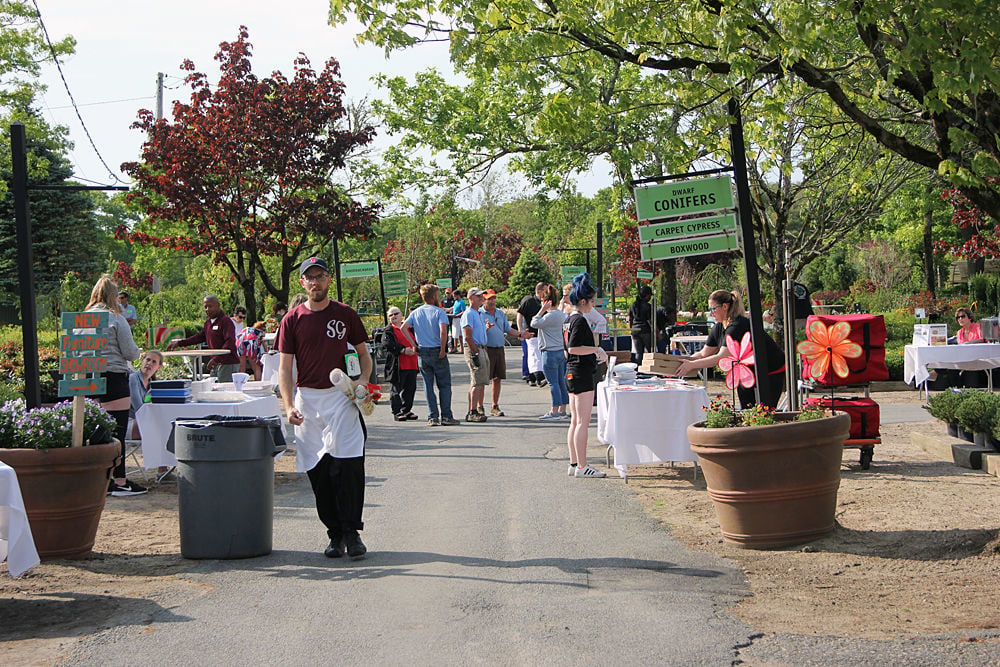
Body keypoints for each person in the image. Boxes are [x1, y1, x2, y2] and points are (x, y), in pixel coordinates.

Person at [278, 256, 372, 560]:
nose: (315, 282)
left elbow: (364, 355)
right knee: (318, 470)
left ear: (328, 280)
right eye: (310, 277)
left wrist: (363, 382)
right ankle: (334, 534)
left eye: (320, 276)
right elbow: (284, 368)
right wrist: (288, 405)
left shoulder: (345, 314)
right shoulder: (292, 319)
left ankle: (351, 533)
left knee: (348, 466)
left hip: (341, 397)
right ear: (303, 283)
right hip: (308, 399)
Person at [84, 277, 145, 496]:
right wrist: (139, 352)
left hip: (87, 377)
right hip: (113, 375)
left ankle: (98, 479)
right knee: (117, 431)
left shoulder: (82, 319)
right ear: (113, 295)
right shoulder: (115, 318)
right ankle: (119, 480)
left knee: (94, 431)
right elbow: (129, 352)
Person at [675, 289, 786, 409]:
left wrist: (692, 365)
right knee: (747, 408)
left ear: (725, 306)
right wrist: (683, 361)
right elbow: (704, 353)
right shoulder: (718, 328)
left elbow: (721, 357)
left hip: (769, 370)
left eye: (713, 309)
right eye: (710, 309)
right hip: (746, 371)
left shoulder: (737, 326)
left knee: (764, 410)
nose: (711, 312)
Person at [564, 273, 609, 478]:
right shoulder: (579, 320)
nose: (593, 305)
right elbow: (573, 348)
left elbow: (568, 349)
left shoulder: (568, 319)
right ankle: (582, 465)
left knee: (575, 421)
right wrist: (595, 350)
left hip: (572, 372)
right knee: (582, 421)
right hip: (580, 373)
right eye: (591, 301)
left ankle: (574, 463)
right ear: (583, 301)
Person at [405, 283, 460, 426]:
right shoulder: (439, 312)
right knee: (444, 384)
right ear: (434, 296)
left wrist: (413, 343)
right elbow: (443, 331)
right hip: (436, 349)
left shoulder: (416, 312)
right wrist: (443, 348)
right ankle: (446, 416)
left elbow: (403, 327)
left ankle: (432, 416)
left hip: (423, 351)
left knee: (428, 385)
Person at [166, 295, 240, 382]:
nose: (207, 309)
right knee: (213, 389)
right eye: (205, 307)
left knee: (225, 390)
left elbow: (230, 342)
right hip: (215, 363)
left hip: (227, 363)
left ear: (218, 305)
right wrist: (179, 343)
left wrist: (216, 359)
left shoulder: (226, 321)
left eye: (210, 306)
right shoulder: (208, 323)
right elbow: (199, 337)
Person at [532, 284, 569, 421]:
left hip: (549, 352)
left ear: (545, 301)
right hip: (560, 350)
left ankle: (554, 411)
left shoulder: (548, 317)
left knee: (552, 382)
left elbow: (534, 323)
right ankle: (563, 410)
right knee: (560, 381)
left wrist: (542, 310)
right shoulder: (561, 315)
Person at [478, 289, 517, 416]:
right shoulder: (479, 314)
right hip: (486, 349)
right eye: (489, 299)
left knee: (498, 378)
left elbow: (508, 329)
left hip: (499, 348)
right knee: (483, 379)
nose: (492, 301)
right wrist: (485, 329)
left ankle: (495, 406)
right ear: (483, 300)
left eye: (494, 298)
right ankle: (479, 406)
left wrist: (521, 334)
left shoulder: (500, 313)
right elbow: (475, 332)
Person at [384, 306, 419, 421]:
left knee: (410, 389)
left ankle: (406, 410)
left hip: (412, 363)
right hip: (398, 365)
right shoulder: (389, 330)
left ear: (401, 315)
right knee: (396, 390)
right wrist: (403, 350)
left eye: (396, 314)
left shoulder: (409, 327)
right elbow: (387, 344)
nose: (394, 316)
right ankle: (397, 411)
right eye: (391, 315)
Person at [461, 287, 490, 422]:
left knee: (479, 380)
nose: (481, 298)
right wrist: (476, 352)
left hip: (480, 348)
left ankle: (474, 409)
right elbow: (467, 336)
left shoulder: (478, 313)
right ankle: (472, 411)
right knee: (476, 380)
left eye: (481, 296)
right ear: (471, 298)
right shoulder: (468, 314)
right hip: (474, 348)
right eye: (478, 296)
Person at [517, 282, 547, 387]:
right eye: (545, 290)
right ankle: (534, 376)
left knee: (541, 356)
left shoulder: (546, 302)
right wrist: (520, 330)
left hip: (544, 334)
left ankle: (540, 376)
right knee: (533, 355)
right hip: (531, 333)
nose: (547, 293)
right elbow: (520, 314)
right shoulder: (529, 302)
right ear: (539, 291)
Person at [128, 349, 164, 438]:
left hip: (143, 420)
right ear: (142, 360)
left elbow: (149, 405)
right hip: (129, 421)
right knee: (156, 428)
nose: (149, 363)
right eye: (147, 360)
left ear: (159, 367)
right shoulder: (133, 378)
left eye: (154, 362)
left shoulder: (152, 385)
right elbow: (139, 409)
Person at [629, 285, 654, 363]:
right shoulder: (648, 306)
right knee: (650, 351)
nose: (650, 298)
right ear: (646, 295)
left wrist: (631, 329)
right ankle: (650, 368)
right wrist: (655, 330)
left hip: (635, 330)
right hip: (645, 330)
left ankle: (637, 369)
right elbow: (650, 320)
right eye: (649, 295)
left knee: (639, 353)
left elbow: (630, 319)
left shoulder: (633, 305)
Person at [450, 289, 467, 354]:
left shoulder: (461, 302)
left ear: (458, 295)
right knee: (455, 334)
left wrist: (457, 315)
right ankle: (456, 347)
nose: (454, 297)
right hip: (455, 318)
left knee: (459, 334)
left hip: (459, 319)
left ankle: (460, 348)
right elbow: (453, 308)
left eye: (454, 296)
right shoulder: (456, 302)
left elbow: (463, 311)